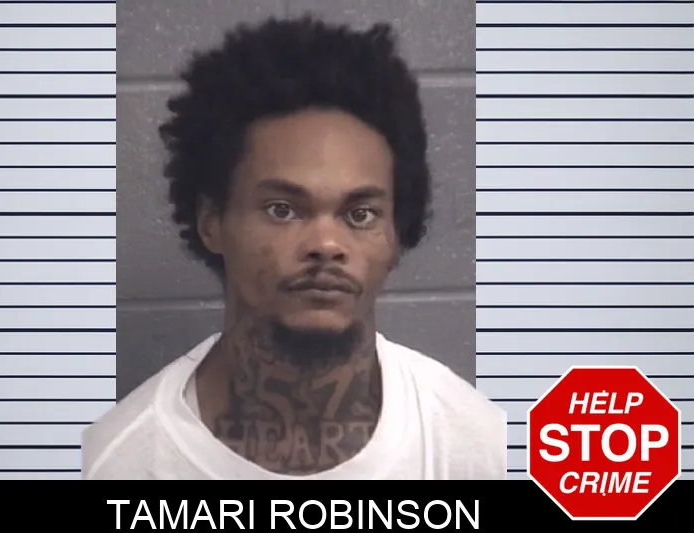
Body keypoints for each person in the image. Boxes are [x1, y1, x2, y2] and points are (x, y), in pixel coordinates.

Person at [83, 15, 506, 480]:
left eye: (360, 214)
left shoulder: (476, 447)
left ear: (397, 233)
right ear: (212, 222)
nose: (326, 244)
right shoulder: (118, 465)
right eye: (283, 209)